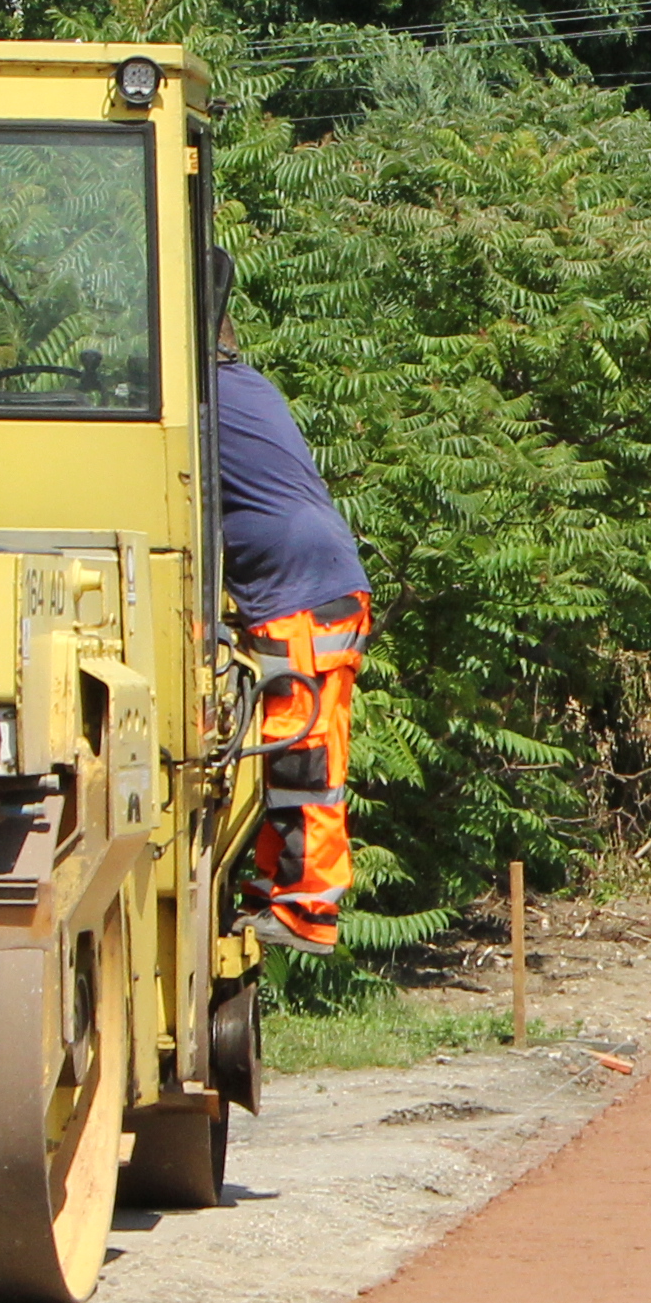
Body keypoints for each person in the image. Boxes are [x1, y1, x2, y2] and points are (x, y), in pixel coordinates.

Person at [212, 335, 373, 948]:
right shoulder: (237, 386)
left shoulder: (210, 393)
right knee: (283, 752)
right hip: (304, 585)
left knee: (303, 758)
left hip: (300, 594)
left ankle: (308, 909)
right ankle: (276, 893)